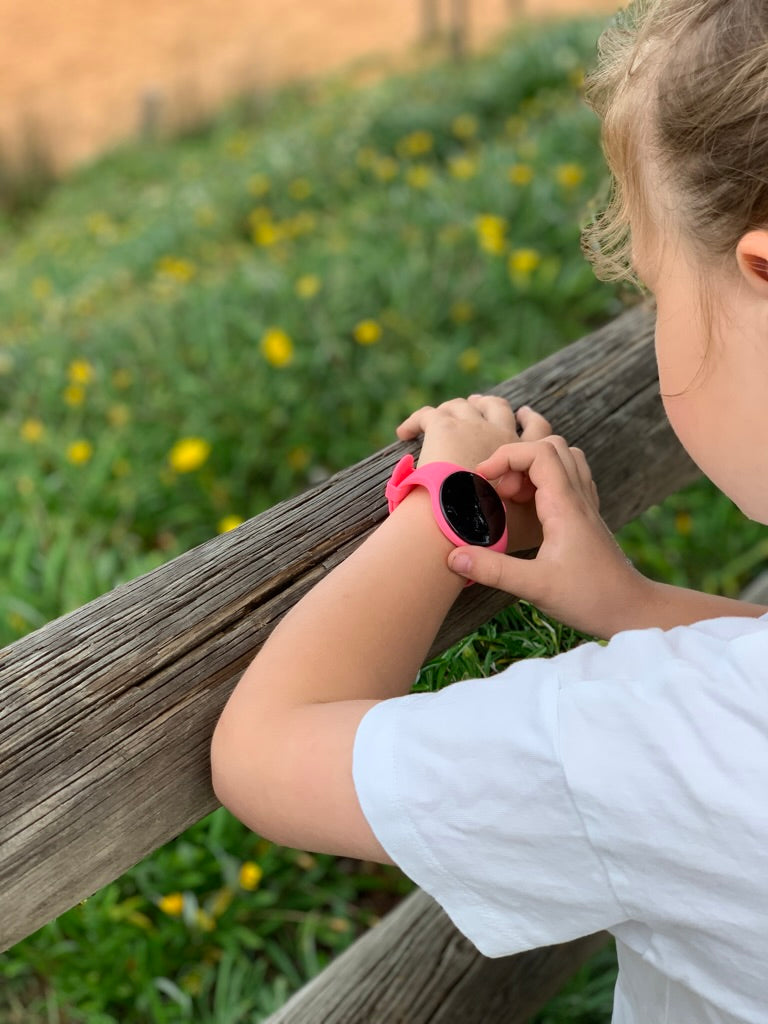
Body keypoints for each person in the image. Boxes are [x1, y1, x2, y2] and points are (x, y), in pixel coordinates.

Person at [211, 1, 768, 1020]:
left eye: (656, 291)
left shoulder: (667, 739)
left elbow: (263, 751)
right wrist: (634, 605)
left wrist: (440, 503)